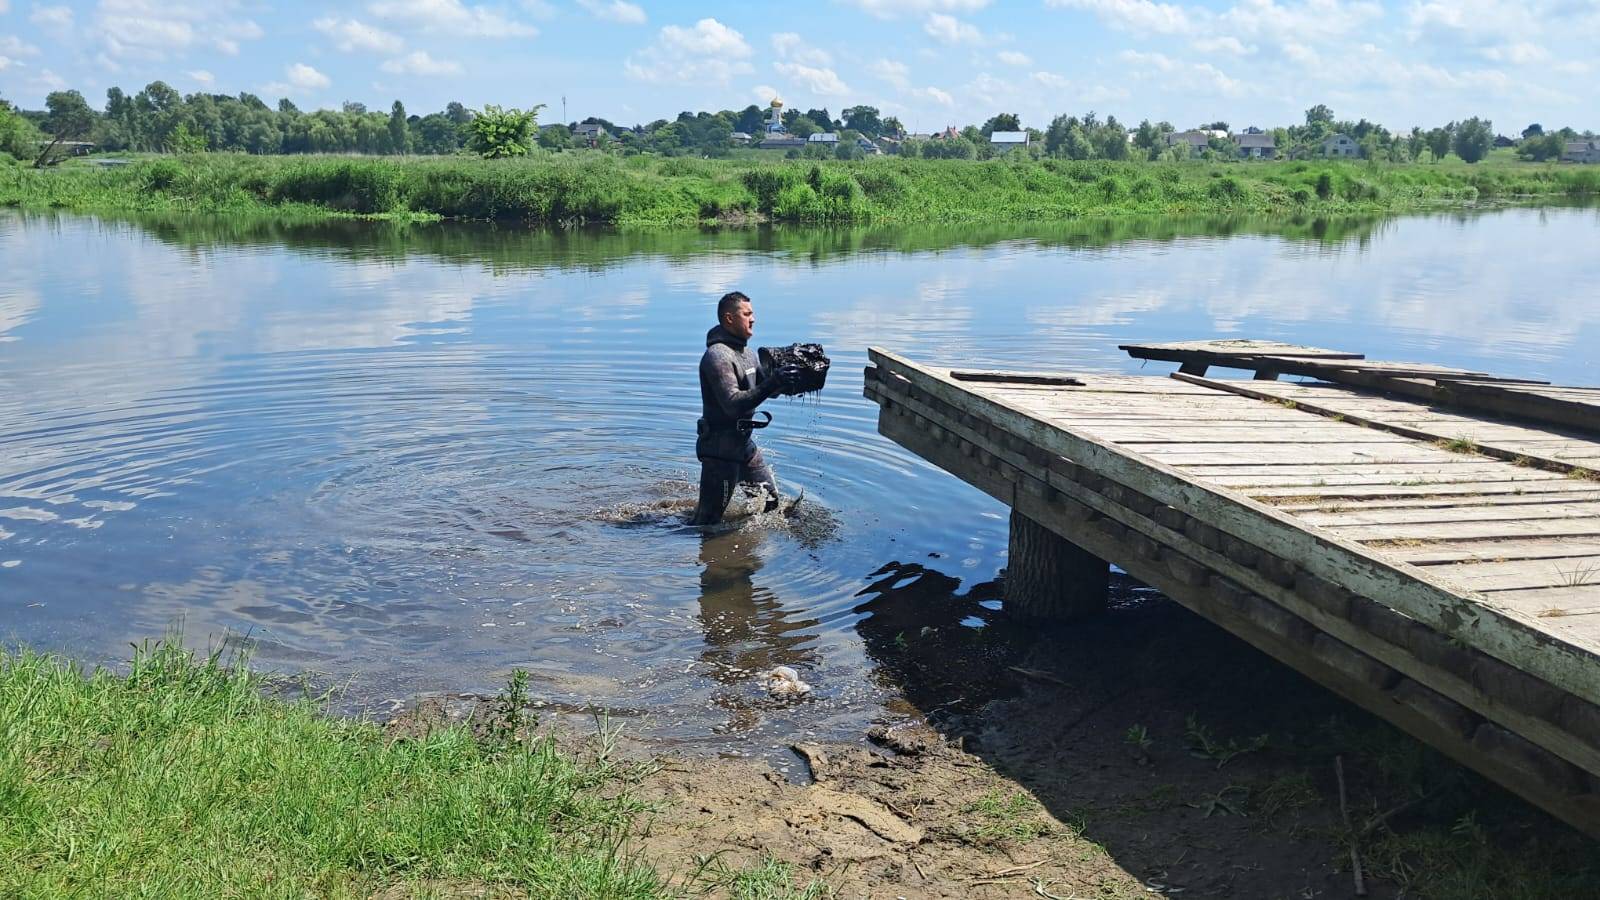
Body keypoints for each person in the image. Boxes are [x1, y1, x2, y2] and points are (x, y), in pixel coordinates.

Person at [690, 291, 801, 526]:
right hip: (719, 451)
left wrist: (789, 382)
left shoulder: (748, 354)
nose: (753, 319)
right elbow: (733, 404)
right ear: (729, 318)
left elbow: (766, 390)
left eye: (752, 313)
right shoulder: (717, 356)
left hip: (743, 446)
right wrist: (772, 382)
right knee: (707, 523)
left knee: (770, 505)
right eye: (747, 314)